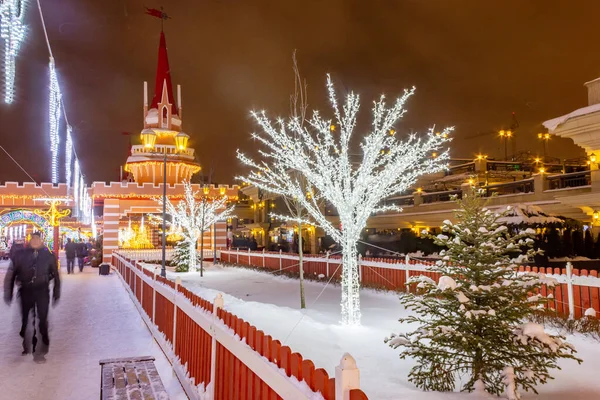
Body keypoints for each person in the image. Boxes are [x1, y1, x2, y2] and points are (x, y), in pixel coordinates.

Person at [3, 232, 61, 358]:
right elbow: (11, 274)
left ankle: (42, 347)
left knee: (42, 319)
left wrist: (56, 291)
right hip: (25, 291)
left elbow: (56, 275)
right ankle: (27, 341)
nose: (35, 241)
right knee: (26, 320)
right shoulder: (20, 255)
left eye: (37, 239)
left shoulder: (49, 256)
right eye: (33, 239)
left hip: (42, 291)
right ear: (30, 240)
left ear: (41, 240)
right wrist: (9, 292)